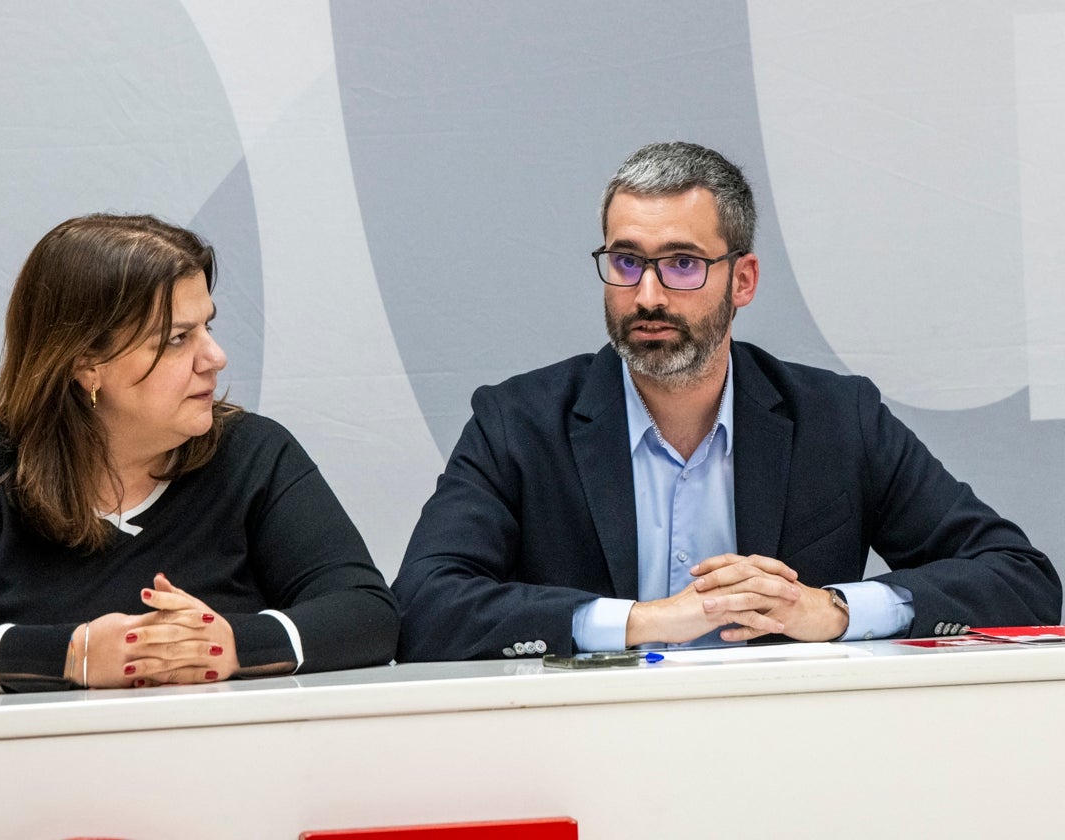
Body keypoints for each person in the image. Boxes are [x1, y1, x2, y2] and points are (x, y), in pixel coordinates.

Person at [393, 141, 1061, 661]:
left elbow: (1021, 580)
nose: (648, 294)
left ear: (742, 279)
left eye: (681, 263)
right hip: (588, 746)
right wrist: (642, 621)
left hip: (783, 751)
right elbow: (425, 606)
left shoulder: (835, 418)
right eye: (626, 261)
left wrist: (832, 611)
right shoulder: (518, 424)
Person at [0, 213, 398, 696]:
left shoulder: (255, 455)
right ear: (86, 365)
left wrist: (231, 644)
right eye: (176, 339)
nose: (215, 357)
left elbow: (369, 612)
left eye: (207, 327)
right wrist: (73, 656)